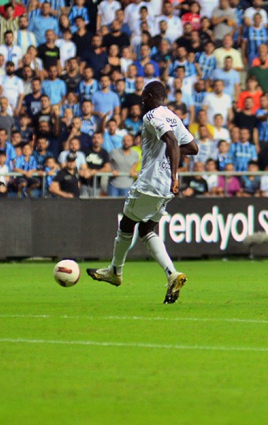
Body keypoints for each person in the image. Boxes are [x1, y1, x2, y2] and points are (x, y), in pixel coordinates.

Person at [86, 81, 198, 304]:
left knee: (127, 224)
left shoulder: (151, 116)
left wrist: (174, 173)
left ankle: (115, 272)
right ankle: (172, 274)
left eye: (142, 98)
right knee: (147, 228)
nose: (140, 102)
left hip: (151, 182)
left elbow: (172, 141)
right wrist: (171, 165)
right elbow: (193, 148)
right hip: (166, 187)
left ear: (148, 97)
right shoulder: (173, 116)